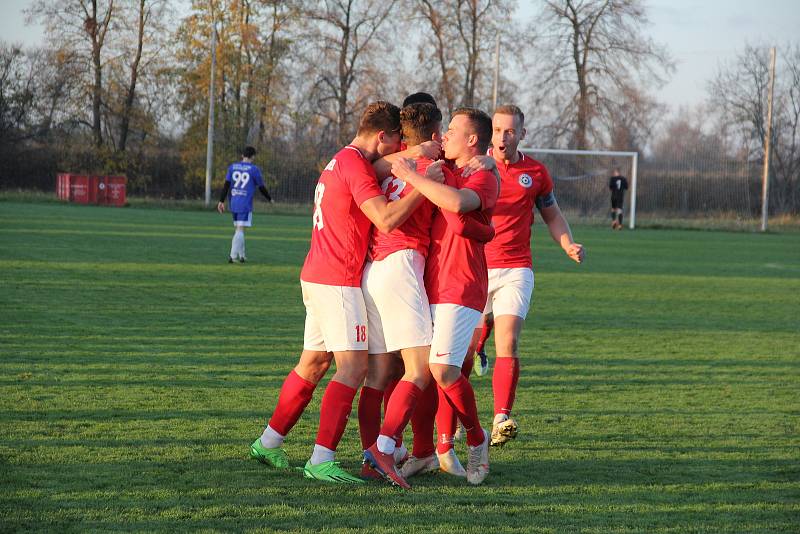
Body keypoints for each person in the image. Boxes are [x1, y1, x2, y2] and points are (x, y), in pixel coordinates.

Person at [249, 101, 429, 484]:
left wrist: (414, 152)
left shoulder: (341, 160)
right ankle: (321, 458)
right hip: (338, 279)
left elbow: (380, 167)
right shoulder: (355, 165)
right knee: (354, 367)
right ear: (382, 136)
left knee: (313, 363)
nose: (399, 148)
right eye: (396, 141)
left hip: (315, 272)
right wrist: (425, 189)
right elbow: (385, 217)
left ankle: (268, 442)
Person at [359, 103, 494, 488]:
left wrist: (411, 173)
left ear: (471, 139)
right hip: (429, 283)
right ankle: (422, 452)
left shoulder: (481, 177)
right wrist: (413, 161)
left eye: (452, 130)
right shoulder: (447, 169)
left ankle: (476, 439)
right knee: (421, 370)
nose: (444, 135)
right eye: (443, 129)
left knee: (440, 369)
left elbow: (455, 204)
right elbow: (375, 170)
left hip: (462, 284)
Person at [481, 104, 585, 447]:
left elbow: (552, 215)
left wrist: (567, 243)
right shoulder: (474, 166)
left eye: (510, 131)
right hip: (475, 266)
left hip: (515, 268)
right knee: (465, 351)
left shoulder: (536, 173)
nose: (502, 137)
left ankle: (500, 417)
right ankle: (454, 423)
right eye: (497, 130)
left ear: (521, 134)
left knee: (508, 341)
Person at [216, 146, 273, 263]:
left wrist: (221, 201)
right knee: (240, 230)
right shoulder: (254, 169)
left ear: (242, 155)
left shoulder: (232, 167)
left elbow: (226, 185)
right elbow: (261, 187)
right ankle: (232, 256)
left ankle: (242, 255)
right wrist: (269, 198)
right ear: (253, 156)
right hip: (245, 203)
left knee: (239, 229)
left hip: (234, 203)